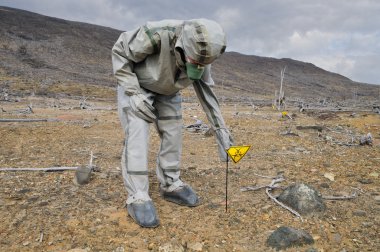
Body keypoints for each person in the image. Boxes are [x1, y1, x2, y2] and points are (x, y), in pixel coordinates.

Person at [112, 19, 233, 228]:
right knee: (138, 134)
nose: (198, 67)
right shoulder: (157, 34)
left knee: (174, 131)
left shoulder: (204, 53)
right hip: (137, 85)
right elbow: (120, 51)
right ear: (182, 47)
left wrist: (222, 133)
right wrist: (133, 93)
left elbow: (208, 96)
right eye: (193, 62)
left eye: (202, 65)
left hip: (168, 90)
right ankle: (138, 196)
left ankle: (170, 184)